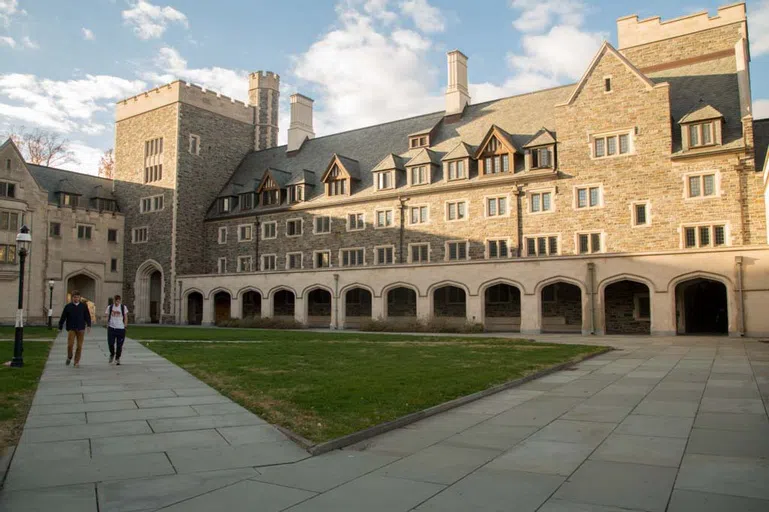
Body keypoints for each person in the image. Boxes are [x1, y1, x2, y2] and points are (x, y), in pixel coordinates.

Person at [58, 290, 92, 367]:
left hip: (81, 328)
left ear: (79, 298)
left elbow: (87, 316)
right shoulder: (68, 307)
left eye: (77, 297)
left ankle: (76, 362)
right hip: (71, 328)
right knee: (70, 344)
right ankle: (69, 356)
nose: (76, 298)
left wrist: (89, 325)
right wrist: (60, 327)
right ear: (72, 298)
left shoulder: (83, 306)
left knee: (79, 346)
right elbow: (63, 317)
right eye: (74, 297)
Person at [105, 295, 128, 365]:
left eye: (118, 301)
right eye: (116, 300)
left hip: (120, 328)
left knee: (119, 345)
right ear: (114, 300)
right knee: (111, 343)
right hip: (112, 328)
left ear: (120, 300)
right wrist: (107, 323)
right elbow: (107, 316)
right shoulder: (110, 307)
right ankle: (112, 354)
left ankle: (117, 358)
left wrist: (125, 325)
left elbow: (126, 316)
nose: (117, 302)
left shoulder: (123, 307)